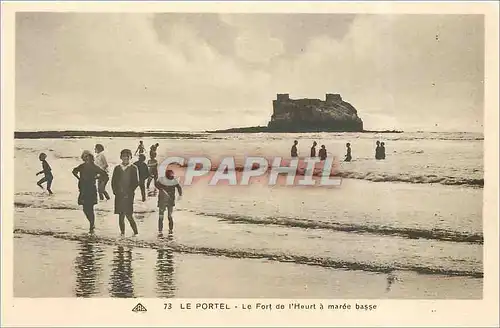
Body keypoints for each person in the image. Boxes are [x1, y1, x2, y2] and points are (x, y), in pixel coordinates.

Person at [72, 150, 108, 233]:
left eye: (88, 156)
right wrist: (79, 178)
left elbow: (104, 174)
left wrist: (97, 178)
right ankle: (91, 223)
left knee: (90, 208)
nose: (87, 158)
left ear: (91, 158)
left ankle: (92, 224)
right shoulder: (82, 166)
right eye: (85, 157)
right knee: (85, 209)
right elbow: (74, 171)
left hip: (91, 189)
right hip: (83, 189)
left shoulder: (94, 166)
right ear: (84, 158)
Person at [111, 149, 139, 237]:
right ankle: (122, 233)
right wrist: (116, 192)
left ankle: (136, 233)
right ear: (121, 157)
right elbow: (113, 182)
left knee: (129, 215)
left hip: (129, 194)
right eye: (123, 156)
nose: (125, 158)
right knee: (121, 215)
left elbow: (136, 182)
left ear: (130, 157)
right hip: (119, 195)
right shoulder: (117, 168)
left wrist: (129, 192)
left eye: (127, 156)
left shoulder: (134, 168)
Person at [155, 169, 183, 235]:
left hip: (169, 201)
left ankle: (169, 230)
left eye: (172, 175)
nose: (171, 176)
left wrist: (180, 195)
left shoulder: (174, 180)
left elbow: (179, 188)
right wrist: (161, 188)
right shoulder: (162, 179)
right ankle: (161, 231)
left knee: (169, 216)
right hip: (163, 201)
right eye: (170, 175)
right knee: (162, 216)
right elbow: (156, 184)